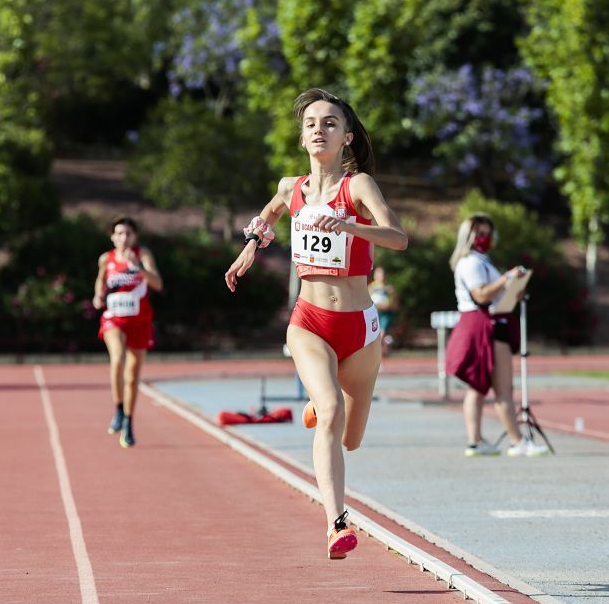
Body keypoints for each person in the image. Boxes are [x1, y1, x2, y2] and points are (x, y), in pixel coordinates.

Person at [224, 88, 408, 560]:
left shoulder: (359, 186)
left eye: (329, 123)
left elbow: (398, 238)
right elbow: (267, 214)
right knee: (331, 411)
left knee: (351, 437)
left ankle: (318, 407)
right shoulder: (293, 187)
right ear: (303, 137)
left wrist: (353, 227)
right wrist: (251, 245)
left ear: (347, 137)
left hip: (361, 329)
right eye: (311, 123)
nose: (319, 129)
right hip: (309, 320)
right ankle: (336, 523)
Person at [445, 214, 548, 458]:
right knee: (502, 389)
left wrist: (512, 291)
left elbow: (494, 295)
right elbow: (481, 295)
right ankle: (517, 441)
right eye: (479, 233)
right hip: (484, 326)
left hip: (482, 323)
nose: (485, 238)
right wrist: (506, 279)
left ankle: (476, 441)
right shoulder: (471, 262)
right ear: (468, 236)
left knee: (478, 387)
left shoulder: (480, 261)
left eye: (487, 233)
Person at [92, 216, 164, 448]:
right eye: (119, 234)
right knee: (118, 359)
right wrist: (98, 296)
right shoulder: (106, 259)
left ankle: (129, 422)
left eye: (128, 234)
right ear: (112, 237)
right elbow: (100, 282)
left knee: (132, 377)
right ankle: (118, 409)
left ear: (135, 237)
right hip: (114, 319)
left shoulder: (142, 255)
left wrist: (139, 267)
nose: (124, 238)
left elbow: (157, 284)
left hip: (140, 320)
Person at [368, 266, 397, 354]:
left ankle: (377, 351)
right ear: (375, 275)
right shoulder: (371, 287)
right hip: (374, 313)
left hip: (386, 313)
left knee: (382, 332)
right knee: (376, 334)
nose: (381, 276)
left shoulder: (389, 288)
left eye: (383, 274)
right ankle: (385, 343)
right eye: (379, 273)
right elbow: (366, 299)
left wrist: (390, 306)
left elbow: (395, 302)